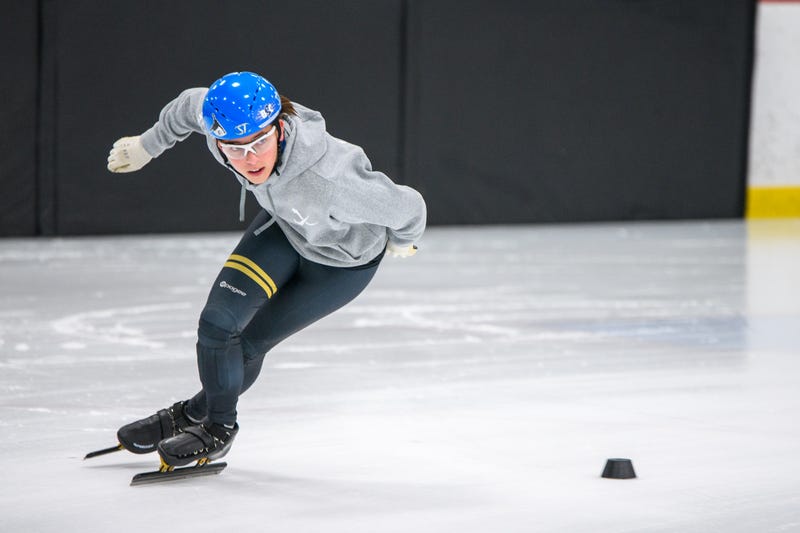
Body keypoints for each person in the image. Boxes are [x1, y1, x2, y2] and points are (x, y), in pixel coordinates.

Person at [106, 71, 426, 467]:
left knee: (251, 342)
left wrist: (402, 240)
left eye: (259, 142)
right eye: (234, 149)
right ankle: (197, 417)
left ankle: (210, 424)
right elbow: (189, 103)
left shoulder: (329, 178)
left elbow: (408, 206)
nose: (249, 159)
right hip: (286, 228)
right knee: (217, 325)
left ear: (278, 129)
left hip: (341, 265)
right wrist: (146, 146)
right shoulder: (215, 119)